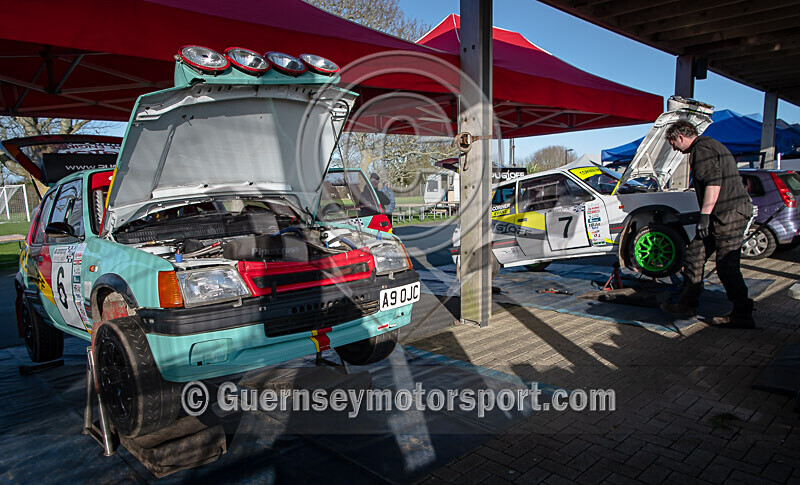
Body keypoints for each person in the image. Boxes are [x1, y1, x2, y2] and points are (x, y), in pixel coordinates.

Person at [660, 120, 755, 328]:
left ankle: (742, 313)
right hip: (721, 214)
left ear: (681, 137)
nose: (674, 148)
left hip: (728, 215)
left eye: (672, 143)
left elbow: (714, 181)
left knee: (726, 266)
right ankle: (687, 305)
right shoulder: (711, 145)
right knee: (694, 254)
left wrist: (704, 215)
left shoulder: (701, 149)